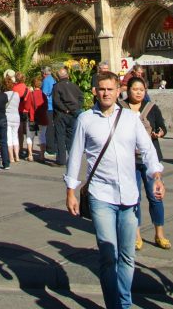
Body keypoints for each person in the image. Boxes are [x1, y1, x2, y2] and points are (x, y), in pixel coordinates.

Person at [66, 70, 164, 309]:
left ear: (118, 90)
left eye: (110, 89)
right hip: (101, 195)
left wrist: (156, 175)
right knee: (109, 255)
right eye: (102, 89)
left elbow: (148, 150)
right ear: (95, 91)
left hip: (129, 195)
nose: (106, 93)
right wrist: (70, 190)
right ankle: (116, 305)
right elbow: (75, 155)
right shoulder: (86, 119)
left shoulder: (131, 119)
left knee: (128, 256)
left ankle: (124, 301)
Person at [120, 77, 170, 250]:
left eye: (142, 89)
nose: (139, 92)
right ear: (128, 90)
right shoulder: (120, 108)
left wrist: (160, 132)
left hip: (150, 159)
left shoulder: (152, 108)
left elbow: (162, 127)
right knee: (134, 198)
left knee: (155, 196)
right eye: (135, 89)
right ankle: (136, 235)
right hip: (129, 160)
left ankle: (159, 233)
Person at [53, 66, 83, 166]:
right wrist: (75, 108)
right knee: (71, 137)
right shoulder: (74, 86)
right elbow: (80, 98)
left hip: (61, 114)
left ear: (58, 77)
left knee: (60, 137)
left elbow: (56, 101)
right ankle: (72, 158)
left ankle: (61, 160)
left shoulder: (57, 86)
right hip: (73, 114)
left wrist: (65, 109)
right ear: (68, 76)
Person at [25, 74, 49, 162]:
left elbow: (27, 107)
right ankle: (42, 155)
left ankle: (30, 155)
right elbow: (46, 107)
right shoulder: (44, 95)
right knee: (42, 136)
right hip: (42, 118)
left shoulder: (31, 94)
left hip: (32, 118)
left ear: (33, 85)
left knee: (30, 136)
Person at [4, 73, 22, 163]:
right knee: (15, 137)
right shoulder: (17, 95)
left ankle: (11, 157)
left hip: (7, 117)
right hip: (16, 116)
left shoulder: (4, 95)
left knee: (9, 137)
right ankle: (17, 156)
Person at [41, 66, 56, 158]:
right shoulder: (53, 79)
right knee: (51, 128)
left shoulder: (46, 81)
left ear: (44, 73)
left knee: (49, 129)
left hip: (48, 107)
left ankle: (50, 149)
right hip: (52, 106)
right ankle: (52, 148)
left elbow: (44, 94)